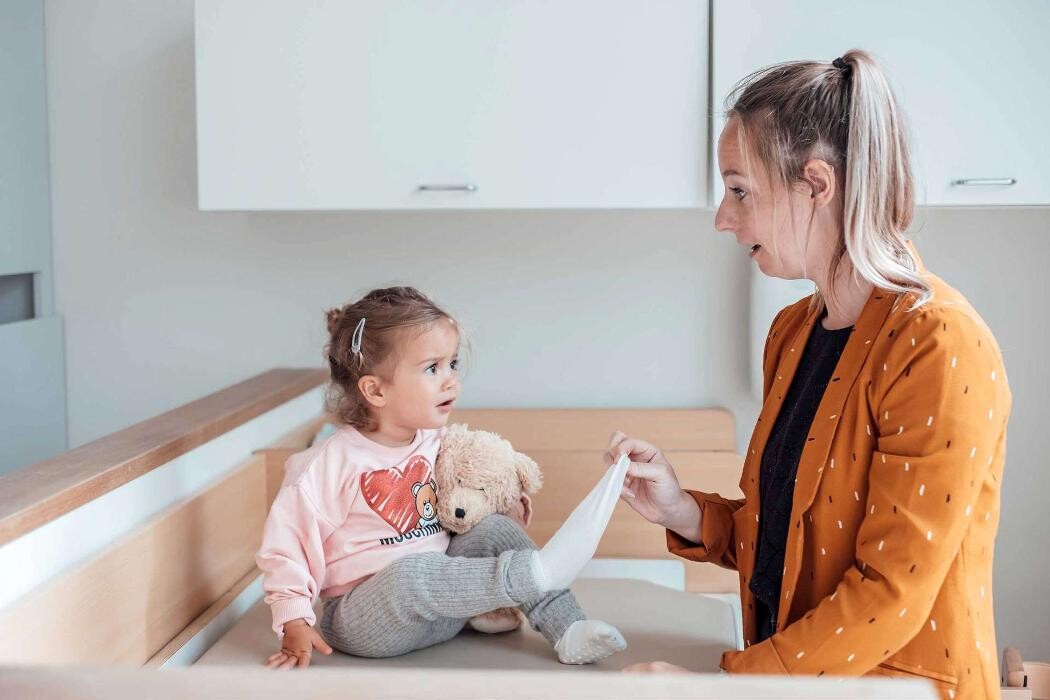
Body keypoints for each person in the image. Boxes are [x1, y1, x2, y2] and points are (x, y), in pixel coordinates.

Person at [614, 51, 1010, 700]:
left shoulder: (938, 344)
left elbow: (890, 595)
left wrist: (723, 686)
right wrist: (685, 511)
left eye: (740, 190)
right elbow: (790, 541)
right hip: (796, 684)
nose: (722, 217)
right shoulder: (793, 334)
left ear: (816, 185)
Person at [258, 286, 628, 668]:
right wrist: (294, 620)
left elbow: (464, 501)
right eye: (432, 368)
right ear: (375, 390)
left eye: (453, 364)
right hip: (364, 619)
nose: (451, 380)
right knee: (412, 574)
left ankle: (568, 630)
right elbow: (287, 547)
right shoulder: (328, 463)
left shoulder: (437, 442)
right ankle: (533, 575)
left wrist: (505, 505)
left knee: (495, 531)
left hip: (441, 611)